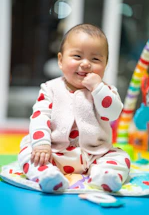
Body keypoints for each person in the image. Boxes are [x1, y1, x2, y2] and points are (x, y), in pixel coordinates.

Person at [18, 23, 130, 193]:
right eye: (77, 56)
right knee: (28, 152)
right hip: (54, 151)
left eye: (95, 59)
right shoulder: (50, 88)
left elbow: (112, 113)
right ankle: (47, 176)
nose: (85, 64)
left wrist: (97, 89)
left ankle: (104, 176)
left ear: (105, 65)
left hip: (95, 153)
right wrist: (42, 145)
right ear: (61, 61)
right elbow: (40, 116)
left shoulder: (106, 91)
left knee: (121, 158)